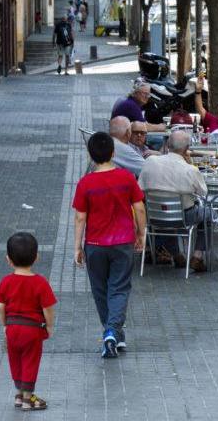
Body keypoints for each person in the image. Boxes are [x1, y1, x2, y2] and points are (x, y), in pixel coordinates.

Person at [73, 132, 147, 358]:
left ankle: (112, 332)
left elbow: (80, 217)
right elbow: (140, 208)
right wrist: (141, 233)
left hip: (95, 243)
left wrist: (77, 246)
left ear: (91, 155)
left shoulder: (85, 183)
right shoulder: (126, 178)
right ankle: (113, 333)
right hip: (123, 242)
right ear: (113, 153)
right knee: (120, 287)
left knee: (100, 290)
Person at [0, 232, 57, 411]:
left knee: (15, 360)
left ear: (8, 260)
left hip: (12, 327)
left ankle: (19, 394)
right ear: (36, 257)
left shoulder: (6, 281)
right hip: (32, 330)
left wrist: (5, 325)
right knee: (30, 360)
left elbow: (0, 306)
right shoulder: (40, 282)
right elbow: (48, 308)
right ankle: (28, 399)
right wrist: (50, 326)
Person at [138, 130, 212, 272]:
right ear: (186, 149)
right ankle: (197, 256)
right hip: (184, 218)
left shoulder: (150, 162)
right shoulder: (190, 169)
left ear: (167, 145)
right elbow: (204, 193)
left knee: (166, 210)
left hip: (154, 216)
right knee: (208, 213)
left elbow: (139, 188)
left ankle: (177, 254)